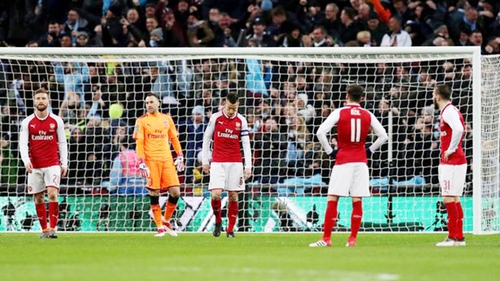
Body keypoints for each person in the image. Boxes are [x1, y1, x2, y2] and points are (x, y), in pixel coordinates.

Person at [309, 84, 388, 247]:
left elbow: (320, 132)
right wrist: (370, 150)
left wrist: (330, 151)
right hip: (360, 161)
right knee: (357, 199)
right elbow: (383, 136)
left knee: (333, 198)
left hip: (343, 160)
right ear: (362, 98)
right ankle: (352, 239)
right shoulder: (368, 114)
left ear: (346, 96)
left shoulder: (339, 112)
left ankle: (326, 239)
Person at [133, 93, 185, 237]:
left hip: (167, 160)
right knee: (154, 192)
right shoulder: (141, 121)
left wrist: (180, 155)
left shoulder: (167, 119)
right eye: (146, 102)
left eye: (151, 102)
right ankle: (159, 227)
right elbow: (140, 143)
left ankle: (166, 220)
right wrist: (141, 161)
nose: (148, 105)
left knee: (176, 192)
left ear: (158, 103)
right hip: (151, 161)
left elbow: (174, 138)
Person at [19, 88, 68, 238]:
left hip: (52, 164)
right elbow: (22, 144)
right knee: (38, 197)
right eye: (38, 98)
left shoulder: (56, 121)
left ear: (48, 101)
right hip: (35, 166)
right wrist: (26, 160)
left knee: (53, 194)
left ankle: (52, 228)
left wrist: (64, 163)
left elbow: (62, 143)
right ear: (34, 101)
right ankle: (44, 229)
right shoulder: (27, 122)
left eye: (43, 98)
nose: (41, 101)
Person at [202, 92, 252, 238]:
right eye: (229, 108)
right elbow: (206, 138)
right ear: (224, 103)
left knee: (233, 196)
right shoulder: (215, 118)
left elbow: (246, 144)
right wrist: (205, 161)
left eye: (234, 108)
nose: (231, 111)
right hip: (218, 161)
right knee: (216, 194)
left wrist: (248, 166)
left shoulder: (241, 120)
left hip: (235, 162)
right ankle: (218, 221)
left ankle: (230, 229)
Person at [433, 84, 467, 247]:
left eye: (434, 94)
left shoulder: (448, 111)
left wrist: (450, 149)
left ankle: (452, 237)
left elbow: (459, 129)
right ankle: (459, 238)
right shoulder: (451, 110)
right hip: (458, 160)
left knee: (447, 196)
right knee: (454, 197)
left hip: (452, 160)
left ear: (438, 96)